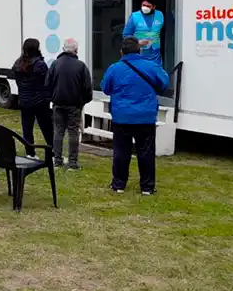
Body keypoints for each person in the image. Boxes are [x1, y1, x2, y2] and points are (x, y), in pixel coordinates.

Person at [101, 37, 170, 195]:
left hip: (122, 116)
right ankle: (147, 187)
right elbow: (164, 84)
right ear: (139, 50)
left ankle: (119, 184)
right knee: (146, 152)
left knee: (121, 151)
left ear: (121, 52)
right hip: (145, 116)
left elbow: (105, 88)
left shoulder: (114, 68)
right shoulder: (151, 66)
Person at [45, 38, 93, 170]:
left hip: (58, 103)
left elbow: (47, 85)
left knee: (58, 131)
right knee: (73, 132)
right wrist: (82, 102)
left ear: (63, 49)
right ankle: (72, 162)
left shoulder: (55, 64)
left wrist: (52, 99)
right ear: (76, 50)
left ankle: (57, 160)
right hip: (74, 105)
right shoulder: (81, 66)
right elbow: (87, 88)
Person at [11, 38, 53, 158]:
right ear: (36, 49)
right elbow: (46, 83)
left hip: (24, 101)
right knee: (46, 127)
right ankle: (53, 151)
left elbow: (19, 83)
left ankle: (30, 152)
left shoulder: (18, 64)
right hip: (40, 101)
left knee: (27, 128)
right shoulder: (40, 65)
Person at [122, 0, 165, 65]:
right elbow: (125, 35)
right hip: (139, 54)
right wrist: (137, 42)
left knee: (155, 74)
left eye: (148, 6)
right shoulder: (134, 16)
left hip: (155, 55)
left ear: (154, 7)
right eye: (143, 5)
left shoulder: (160, 15)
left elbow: (159, 31)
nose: (145, 8)